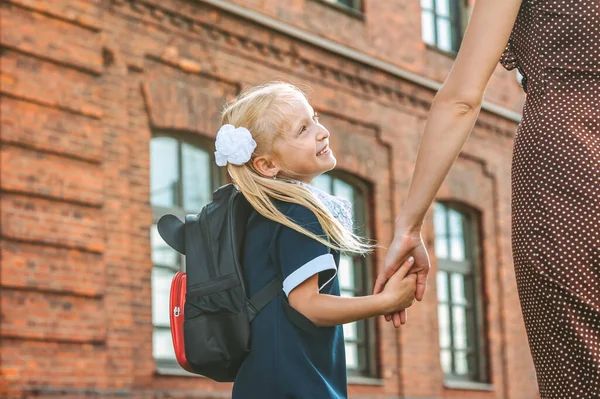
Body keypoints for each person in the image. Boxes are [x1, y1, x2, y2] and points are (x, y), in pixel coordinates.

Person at [373, 0, 600, 397]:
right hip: (568, 170)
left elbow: (461, 98)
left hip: (565, 175)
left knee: (579, 372)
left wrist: (409, 225)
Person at [214, 82, 418, 399]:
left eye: (315, 118)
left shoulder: (263, 213)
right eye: (303, 130)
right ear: (267, 165)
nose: (322, 132)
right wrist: (385, 302)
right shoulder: (301, 211)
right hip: (298, 383)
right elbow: (307, 304)